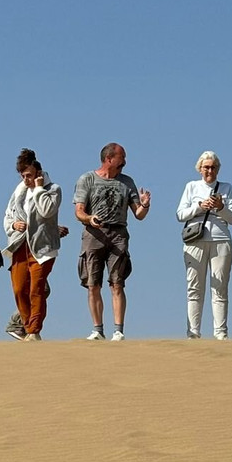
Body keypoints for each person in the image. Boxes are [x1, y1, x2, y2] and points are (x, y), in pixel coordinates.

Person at [73, 142, 151, 341]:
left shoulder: (127, 182)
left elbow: (139, 214)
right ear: (109, 159)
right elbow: (79, 211)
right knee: (93, 284)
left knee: (117, 283)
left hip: (118, 234)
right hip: (93, 234)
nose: (124, 161)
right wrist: (90, 218)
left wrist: (145, 205)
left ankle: (118, 330)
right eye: (121, 157)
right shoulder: (87, 179)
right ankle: (97, 329)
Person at [3, 149, 64, 341]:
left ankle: (34, 330)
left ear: (38, 172)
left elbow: (47, 211)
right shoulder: (18, 192)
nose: (25, 179)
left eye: (29, 175)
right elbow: (8, 216)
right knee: (19, 288)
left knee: (36, 288)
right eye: (22, 176)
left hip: (43, 248)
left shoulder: (53, 189)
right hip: (20, 245)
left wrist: (38, 189)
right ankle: (27, 326)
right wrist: (14, 225)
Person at [176, 151, 232, 339]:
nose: (209, 171)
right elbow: (180, 215)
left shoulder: (226, 188)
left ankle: (220, 333)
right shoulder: (191, 186)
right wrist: (200, 206)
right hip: (195, 239)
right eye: (206, 167)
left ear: (218, 169)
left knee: (219, 286)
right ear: (200, 169)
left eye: (213, 167)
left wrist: (220, 207)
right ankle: (193, 332)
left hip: (220, 239)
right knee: (194, 287)